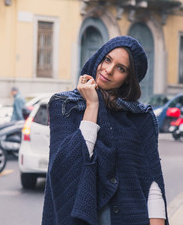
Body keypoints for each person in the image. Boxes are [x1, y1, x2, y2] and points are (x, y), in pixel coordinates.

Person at [42, 36, 168, 225]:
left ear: (128, 79)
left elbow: (152, 180)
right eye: (107, 59)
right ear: (99, 57)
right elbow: (66, 166)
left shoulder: (141, 117)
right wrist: (92, 106)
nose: (108, 70)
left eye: (121, 68)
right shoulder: (65, 105)